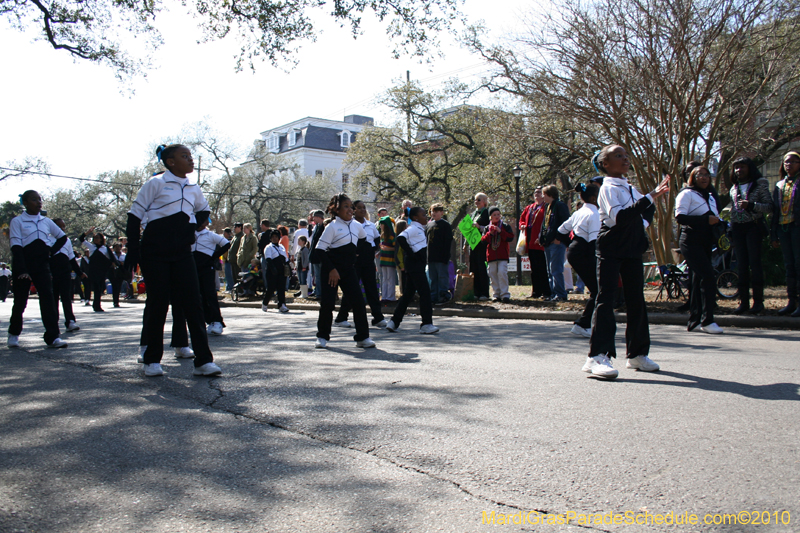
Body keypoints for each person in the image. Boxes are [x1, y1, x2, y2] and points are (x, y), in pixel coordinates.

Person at [126, 143, 221, 377]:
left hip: (182, 252)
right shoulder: (155, 183)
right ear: (170, 162)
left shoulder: (193, 187)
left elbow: (204, 211)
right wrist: (133, 250)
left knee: (194, 304)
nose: (191, 160)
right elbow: (134, 216)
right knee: (158, 304)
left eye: (190, 156)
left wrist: (192, 225)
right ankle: (151, 359)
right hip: (155, 252)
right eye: (185, 156)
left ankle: (203, 361)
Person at [583, 145, 670, 379]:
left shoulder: (630, 187)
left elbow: (643, 210)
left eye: (625, 155)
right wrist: (651, 196)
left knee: (636, 300)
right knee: (606, 299)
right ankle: (598, 356)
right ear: (605, 164)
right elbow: (620, 217)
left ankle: (637, 354)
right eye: (618, 156)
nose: (624, 159)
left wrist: (642, 223)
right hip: (611, 246)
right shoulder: (608, 188)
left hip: (631, 247)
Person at [312, 193, 375, 349]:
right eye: (345, 206)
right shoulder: (332, 226)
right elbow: (319, 250)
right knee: (327, 304)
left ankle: (362, 338)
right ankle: (322, 336)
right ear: (337, 209)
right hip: (331, 271)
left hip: (348, 271)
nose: (350, 210)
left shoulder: (357, 226)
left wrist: (356, 255)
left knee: (359, 303)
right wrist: (332, 270)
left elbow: (363, 242)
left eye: (350, 206)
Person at [7, 190, 68, 349]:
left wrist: (51, 252)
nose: (38, 202)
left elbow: (62, 237)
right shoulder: (18, 221)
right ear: (25, 203)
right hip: (24, 263)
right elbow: (16, 247)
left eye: (40, 199)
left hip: (42, 264)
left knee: (48, 299)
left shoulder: (46, 221)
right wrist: (22, 270)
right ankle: (14, 333)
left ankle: (53, 336)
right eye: (34, 199)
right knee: (20, 301)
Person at [675, 166, 724, 334]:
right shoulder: (686, 194)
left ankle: (695, 319)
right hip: (691, 241)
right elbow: (680, 217)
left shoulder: (710, 196)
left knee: (697, 280)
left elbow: (713, 217)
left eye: (706, 175)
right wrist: (705, 220)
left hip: (706, 242)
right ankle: (708, 320)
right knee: (708, 276)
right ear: (692, 178)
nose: (703, 178)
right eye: (699, 175)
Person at [728, 157, 772, 315]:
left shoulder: (760, 183)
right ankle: (743, 302)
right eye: (736, 168)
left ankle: (758, 302)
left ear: (750, 168)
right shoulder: (734, 187)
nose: (739, 170)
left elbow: (769, 206)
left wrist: (751, 205)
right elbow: (733, 210)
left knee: (755, 263)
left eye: (742, 167)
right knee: (741, 265)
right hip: (738, 228)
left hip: (753, 227)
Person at [386, 207, 439, 334]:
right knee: (425, 293)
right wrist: (411, 254)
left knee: (408, 294)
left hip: (416, 265)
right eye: (423, 214)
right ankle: (426, 324)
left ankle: (394, 321)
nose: (426, 216)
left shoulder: (419, 228)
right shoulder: (413, 228)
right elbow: (400, 238)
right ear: (415, 218)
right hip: (415, 265)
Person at [334, 200, 386, 328]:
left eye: (364, 208)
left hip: (368, 259)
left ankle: (377, 317)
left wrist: (373, 250)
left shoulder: (370, 225)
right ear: (353, 210)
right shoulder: (351, 224)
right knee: (351, 289)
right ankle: (342, 317)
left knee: (372, 288)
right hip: (355, 260)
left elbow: (376, 238)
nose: (362, 210)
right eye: (359, 208)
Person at [558, 183, 601, 338]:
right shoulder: (594, 214)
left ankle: (588, 322)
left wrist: (570, 245)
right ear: (594, 197)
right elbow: (593, 242)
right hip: (585, 253)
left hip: (575, 251)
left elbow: (561, 231)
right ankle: (583, 324)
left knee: (597, 290)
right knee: (598, 290)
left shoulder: (579, 212)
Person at [771, 151, 800, 317]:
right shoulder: (779, 184)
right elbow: (775, 211)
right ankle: (791, 301)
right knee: (789, 266)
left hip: (797, 227)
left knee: (798, 265)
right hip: (783, 227)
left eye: (794, 162)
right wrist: (773, 234)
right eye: (787, 162)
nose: (789, 165)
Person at [192, 219, 231, 335]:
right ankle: (205, 320)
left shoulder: (210, 235)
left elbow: (226, 244)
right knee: (197, 296)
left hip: (207, 269)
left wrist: (214, 256)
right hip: (193, 268)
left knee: (210, 294)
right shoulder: (190, 234)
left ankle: (217, 321)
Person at [50, 218, 86, 332]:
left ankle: (70, 321)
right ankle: (53, 323)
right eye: (59, 226)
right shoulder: (47, 239)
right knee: (53, 299)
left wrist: (80, 273)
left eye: (64, 227)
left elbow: (72, 259)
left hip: (65, 272)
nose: (62, 229)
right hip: (52, 273)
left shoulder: (67, 241)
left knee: (66, 297)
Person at [538, 185, 570, 302]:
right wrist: (541, 238)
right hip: (548, 243)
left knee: (556, 269)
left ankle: (561, 294)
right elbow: (545, 224)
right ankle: (552, 293)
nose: (542, 196)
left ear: (550, 194)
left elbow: (566, 223)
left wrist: (559, 238)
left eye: (544, 194)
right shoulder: (548, 207)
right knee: (550, 270)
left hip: (556, 243)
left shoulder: (560, 206)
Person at [519, 186, 550, 299]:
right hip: (530, 242)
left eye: (539, 192)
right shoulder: (530, 208)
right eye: (535, 192)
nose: (537, 194)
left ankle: (546, 291)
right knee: (534, 269)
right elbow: (522, 219)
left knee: (542, 268)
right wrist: (522, 225)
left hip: (540, 242)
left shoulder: (546, 207)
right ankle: (536, 292)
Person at [79, 228, 120, 312]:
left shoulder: (105, 248)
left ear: (101, 239)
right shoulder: (91, 246)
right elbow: (81, 239)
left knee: (100, 288)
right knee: (96, 287)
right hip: (93, 270)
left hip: (102, 271)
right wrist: (87, 233)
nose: (96, 240)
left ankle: (97, 304)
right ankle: (96, 305)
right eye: (95, 238)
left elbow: (111, 259)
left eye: (98, 238)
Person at [480, 206, 514, 302]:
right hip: (491, 256)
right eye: (494, 215)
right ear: (491, 217)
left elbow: (510, 237)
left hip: (503, 255)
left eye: (498, 214)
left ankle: (505, 294)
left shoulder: (505, 226)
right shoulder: (487, 228)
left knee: (502, 273)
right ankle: (496, 294)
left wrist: (500, 232)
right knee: (492, 274)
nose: (497, 216)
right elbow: (483, 241)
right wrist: (489, 233)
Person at [426, 203, 453, 305]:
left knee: (442, 277)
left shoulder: (445, 225)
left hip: (441, 257)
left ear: (441, 213)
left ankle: (443, 295)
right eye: (432, 211)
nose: (434, 213)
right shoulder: (429, 225)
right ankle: (433, 296)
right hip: (431, 257)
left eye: (436, 211)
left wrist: (446, 256)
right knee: (433, 278)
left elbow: (448, 241)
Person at [468, 193, 491, 301]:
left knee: (482, 268)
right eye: (475, 200)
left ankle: (484, 293)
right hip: (473, 244)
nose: (476, 202)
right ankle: (476, 292)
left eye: (479, 200)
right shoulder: (473, 214)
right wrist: (465, 244)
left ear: (485, 201)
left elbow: (490, 227)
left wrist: (480, 227)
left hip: (482, 244)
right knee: (474, 268)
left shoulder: (487, 212)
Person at [261, 229, 289, 313]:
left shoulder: (281, 247)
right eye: (273, 237)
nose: (274, 238)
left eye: (276, 237)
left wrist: (288, 267)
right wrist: (273, 269)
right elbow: (268, 259)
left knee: (281, 288)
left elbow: (285, 258)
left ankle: (281, 305)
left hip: (282, 270)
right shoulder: (268, 247)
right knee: (271, 288)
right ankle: (265, 303)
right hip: (272, 271)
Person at [378, 215, 397, 302]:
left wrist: (388, 249)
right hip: (383, 260)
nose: (381, 226)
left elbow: (396, 248)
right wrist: (379, 252)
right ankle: (384, 296)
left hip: (390, 260)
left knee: (390, 278)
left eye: (382, 224)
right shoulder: (382, 235)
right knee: (384, 278)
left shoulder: (392, 236)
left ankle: (391, 297)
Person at [308, 210, 326, 299]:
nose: (313, 218)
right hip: (315, 255)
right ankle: (318, 292)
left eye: (314, 217)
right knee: (317, 276)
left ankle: (320, 293)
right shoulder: (317, 227)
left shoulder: (324, 227)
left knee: (320, 276)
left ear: (319, 217)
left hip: (320, 256)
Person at [226, 223, 243, 292]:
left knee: (238, 276)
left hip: (237, 261)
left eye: (235, 227)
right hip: (232, 260)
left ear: (240, 227)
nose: (234, 228)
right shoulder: (235, 236)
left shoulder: (241, 236)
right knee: (234, 277)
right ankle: (236, 291)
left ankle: (240, 291)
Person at [109, 242, 126, 307]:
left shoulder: (124, 255)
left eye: (119, 247)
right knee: (114, 286)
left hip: (120, 273)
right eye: (116, 247)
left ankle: (117, 300)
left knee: (118, 286)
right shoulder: (111, 255)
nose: (117, 248)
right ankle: (115, 301)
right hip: (113, 272)